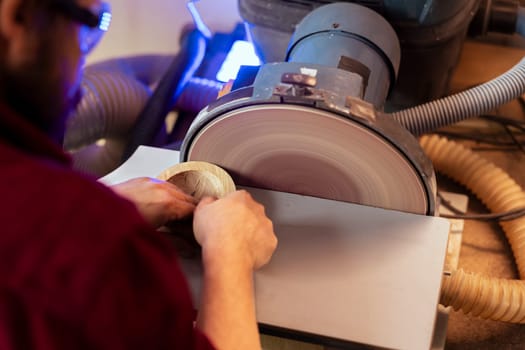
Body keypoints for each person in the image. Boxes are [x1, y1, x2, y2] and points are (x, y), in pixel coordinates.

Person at [0, 0, 278, 349]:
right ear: (18, 15)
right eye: (89, 26)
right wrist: (231, 253)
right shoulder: (93, 242)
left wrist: (94, 214)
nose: (82, 69)